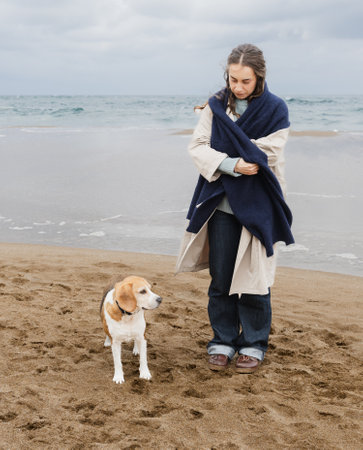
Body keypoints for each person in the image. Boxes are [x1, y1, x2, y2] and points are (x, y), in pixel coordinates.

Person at [176, 44, 294, 373]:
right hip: (221, 204)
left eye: (245, 81)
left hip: (260, 204)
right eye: (233, 80)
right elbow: (198, 146)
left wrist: (229, 151)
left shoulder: (276, 109)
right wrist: (230, 163)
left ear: (259, 78)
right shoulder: (215, 106)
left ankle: (254, 343)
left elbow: (266, 154)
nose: (238, 87)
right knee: (222, 278)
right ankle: (223, 340)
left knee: (255, 279)